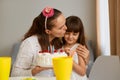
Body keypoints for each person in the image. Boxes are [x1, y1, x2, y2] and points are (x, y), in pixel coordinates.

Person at [11, 7, 67, 77]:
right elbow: (14, 74)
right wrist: (35, 71)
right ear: (48, 31)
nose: (66, 28)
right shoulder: (30, 44)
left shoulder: (59, 42)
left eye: (65, 23)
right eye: (61, 28)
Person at [62, 16, 89, 80]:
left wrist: (68, 59)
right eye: (67, 33)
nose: (70, 37)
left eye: (74, 34)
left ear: (79, 34)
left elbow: (82, 72)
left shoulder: (79, 48)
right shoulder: (60, 47)